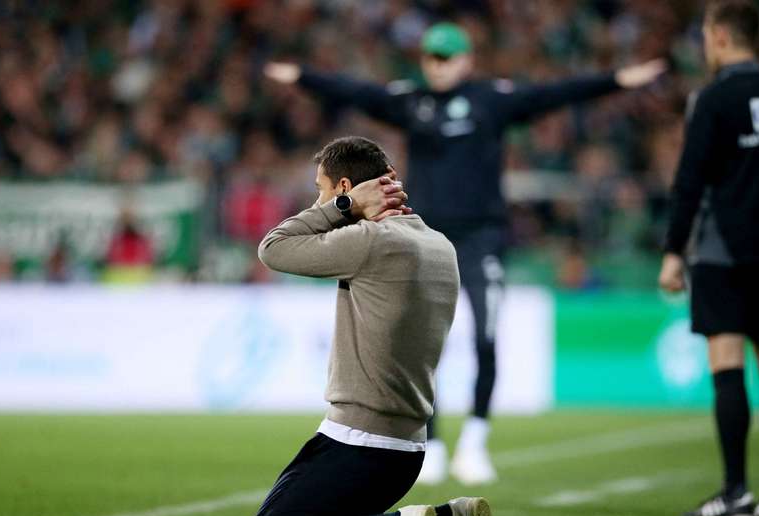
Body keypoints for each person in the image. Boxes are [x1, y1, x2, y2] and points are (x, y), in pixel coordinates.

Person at [265, 23, 667, 486]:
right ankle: (431, 442)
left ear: (466, 59)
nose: (436, 65)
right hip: (423, 241)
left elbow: (553, 94)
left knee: (485, 338)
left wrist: (617, 79)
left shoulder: (490, 101)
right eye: (431, 57)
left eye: (446, 57)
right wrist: (301, 76)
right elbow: (355, 91)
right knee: (418, 344)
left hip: (481, 239)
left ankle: (475, 440)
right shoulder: (410, 103)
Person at [235, 136, 500, 516]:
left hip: (355, 443)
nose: (319, 200)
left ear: (344, 185)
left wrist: (341, 206)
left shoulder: (369, 241)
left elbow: (273, 247)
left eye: (322, 189)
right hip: (407, 449)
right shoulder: (440, 246)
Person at [658, 0, 759, 516]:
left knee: (728, 364)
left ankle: (735, 491)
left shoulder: (712, 99)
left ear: (718, 37)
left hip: (722, 250)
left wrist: (673, 252)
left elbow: (690, 180)